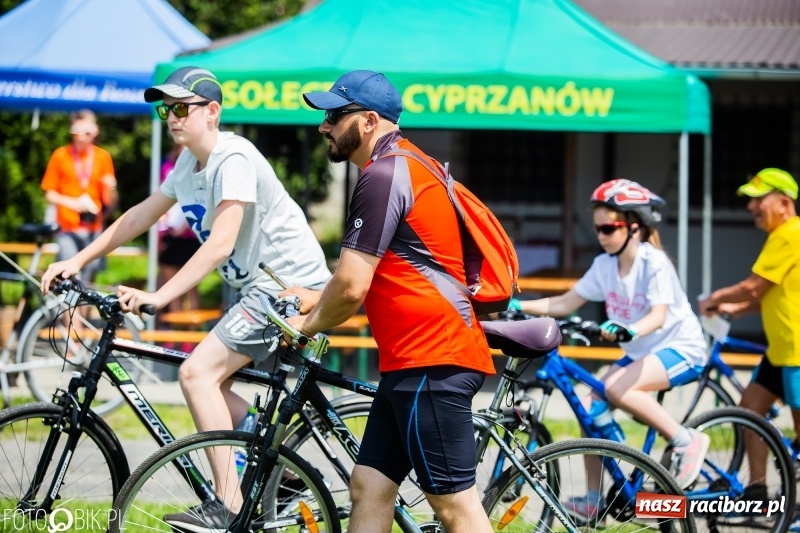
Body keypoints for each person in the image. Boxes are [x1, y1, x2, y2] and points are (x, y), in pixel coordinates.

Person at [41, 66, 332, 530]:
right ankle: (275, 463)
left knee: (197, 373)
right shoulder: (188, 165)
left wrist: (158, 295)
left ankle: (229, 504)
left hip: (287, 289)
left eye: (181, 107)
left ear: (212, 112)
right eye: (165, 109)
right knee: (210, 384)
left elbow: (219, 242)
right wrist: (78, 260)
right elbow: (138, 216)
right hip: (262, 290)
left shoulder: (232, 157)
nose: (172, 117)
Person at [282, 70, 495, 533]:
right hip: (414, 361)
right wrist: (316, 299)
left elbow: (354, 286)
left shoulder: (383, 175)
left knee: (455, 507)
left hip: (432, 360)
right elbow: (387, 272)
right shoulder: (410, 163)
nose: (324, 126)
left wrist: (305, 326)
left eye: (335, 115)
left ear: (369, 120)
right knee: (369, 485)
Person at [510, 179, 709, 517]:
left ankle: (686, 440)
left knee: (616, 388)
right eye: (597, 227)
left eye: (608, 227)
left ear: (634, 227)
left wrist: (628, 329)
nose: (600, 235)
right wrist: (520, 307)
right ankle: (594, 498)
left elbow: (658, 317)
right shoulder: (605, 265)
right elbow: (566, 301)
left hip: (681, 347)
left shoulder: (653, 262)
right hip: (642, 352)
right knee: (589, 405)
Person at [698, 168, 800, 509]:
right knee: (750, 411)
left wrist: (714, 298)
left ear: (784, 202)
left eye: (759, 199)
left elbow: (754, 285)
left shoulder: (790, 233)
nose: (752, 207)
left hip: (797, 352)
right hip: (781, 350)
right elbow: (764, 295)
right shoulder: (782, 236)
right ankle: (758, 488)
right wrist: (731, 309)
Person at [41, 109, 118, 283]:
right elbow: (49, 195)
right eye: (77, 132)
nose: (82, 137)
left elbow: (109, 201)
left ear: (95, 132)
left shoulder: (103, 156)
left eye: (87, 132)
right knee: (71, 278)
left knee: (89, 280)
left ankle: (84, 312)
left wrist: (112, 188)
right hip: (67, 228)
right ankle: (68, 311)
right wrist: (73, 203)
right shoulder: (60, 155)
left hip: (94, 228)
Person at [157, 143, 202, 314]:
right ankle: (175, 335)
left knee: (191, 289)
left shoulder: (200, 170)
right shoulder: (168, 168)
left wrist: (184, 225)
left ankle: (190, 337)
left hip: (191, 236)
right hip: (171, 235)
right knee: (172, 289)